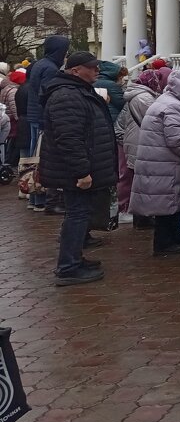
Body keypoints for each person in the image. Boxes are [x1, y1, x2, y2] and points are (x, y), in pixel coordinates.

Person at [39, 52, 118, 286]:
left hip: (81, 166)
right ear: (75, 71)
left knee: (78, 214)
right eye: (91, 67)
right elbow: (69, 138)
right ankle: (68, 267)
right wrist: (82, 171)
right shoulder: (67, 95)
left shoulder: (76, 91)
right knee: (76, 215)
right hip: (75, 170)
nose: (97, 71)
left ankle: (74, 259)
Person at [130, 69, 180, 257]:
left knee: (171, 201)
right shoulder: (174, 106)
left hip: (160, 162)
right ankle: (164, 243)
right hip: (165, 164)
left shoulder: (166, 102)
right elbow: (176, 140)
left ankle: (175, 237)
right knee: (167, 203)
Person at [26, 35, 70, 211]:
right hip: (41, 118)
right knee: (41, 159)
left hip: (34, 116)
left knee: (34, 158)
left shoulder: (40, 64)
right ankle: (40, 199)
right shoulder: (50, 68)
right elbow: (47, 95)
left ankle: (34, 198)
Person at [117, 69, 166, 223]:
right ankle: (138, 215)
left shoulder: (138, 95)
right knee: (138, 180)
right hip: (139, 141)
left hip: (132, 139)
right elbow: (158, 120)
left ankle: (137, 214)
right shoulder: (144, 98)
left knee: (134, 178)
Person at [0, 68, 23, 169]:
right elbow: (14, 106)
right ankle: (7, 161)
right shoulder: (13, 91)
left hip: (7, 116)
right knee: (9, 141)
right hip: (10, 119)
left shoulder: (6, 89)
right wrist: (17, 118)